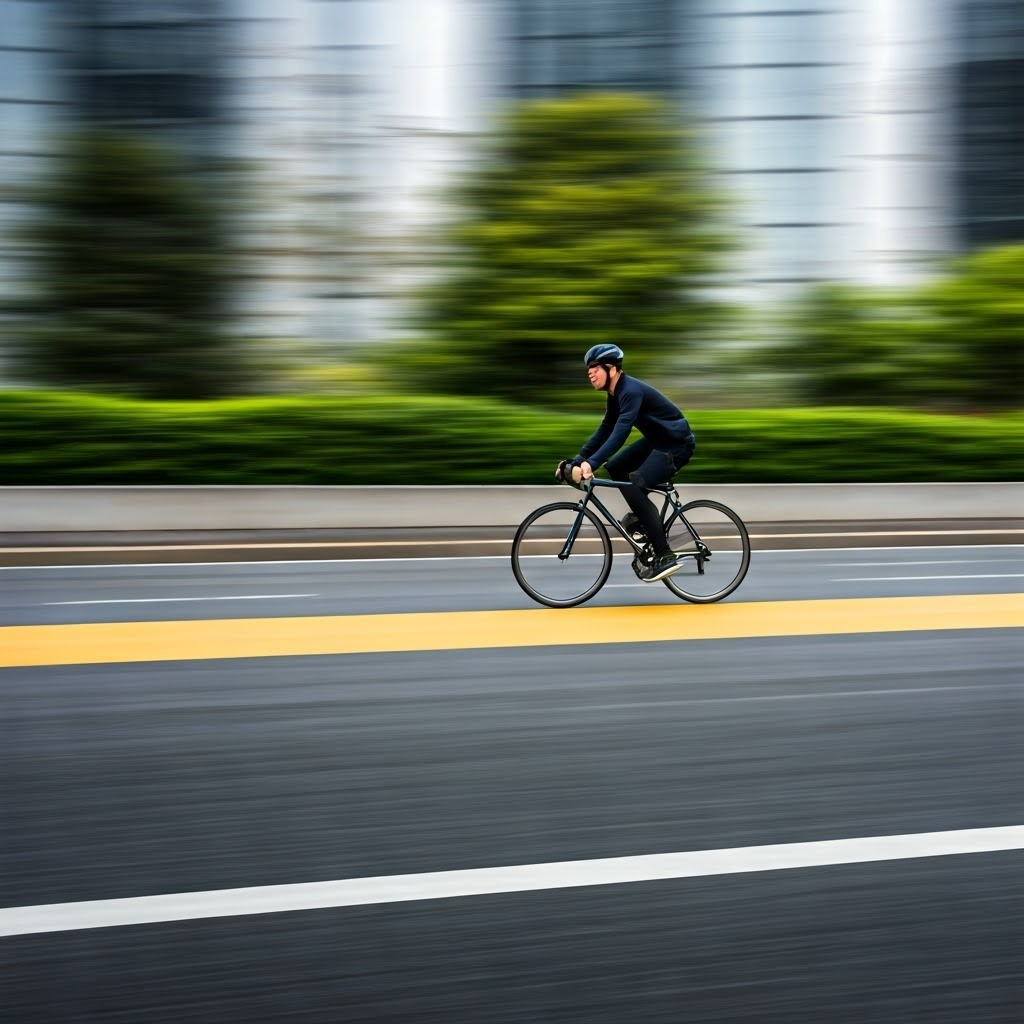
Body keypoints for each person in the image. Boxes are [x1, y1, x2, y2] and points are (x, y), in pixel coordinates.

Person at [556, 343, 696, 583]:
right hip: (657, 441)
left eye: (595, 367)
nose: (590, 372)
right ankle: (639, 521)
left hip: (676, 445)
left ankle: (665, 555)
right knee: (616, 468)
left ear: (611, 369)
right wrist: (578, 460)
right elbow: (605, 429)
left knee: (636, 482)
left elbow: (621, 432)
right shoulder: (615, 395)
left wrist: (592, 463)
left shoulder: (630, 391)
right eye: (588, 369)